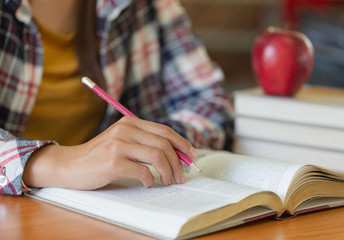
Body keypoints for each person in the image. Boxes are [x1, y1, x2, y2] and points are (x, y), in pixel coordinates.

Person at [0, 0, 234, 195]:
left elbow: (210, 103)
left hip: (102, 202)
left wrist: (155, 143)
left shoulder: (147, 4)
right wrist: (56, 163)